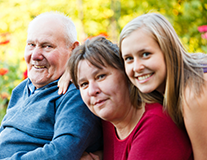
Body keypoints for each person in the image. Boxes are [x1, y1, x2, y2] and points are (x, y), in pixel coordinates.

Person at [0, 12, 102, 160]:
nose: (35, 55)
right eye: (31, 45)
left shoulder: (75, 94)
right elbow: (3, 135)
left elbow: (62, 153)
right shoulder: (22, 88)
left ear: (73, 49)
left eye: (47, 46)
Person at [65, 36, 193, 159]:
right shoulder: (110, 120)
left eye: (101, 76)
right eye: (84, 84)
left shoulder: (155, 124)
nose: (92, 91)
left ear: (126, 73)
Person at [119, 12, 207, 159]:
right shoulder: (164, 87)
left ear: (168, 50)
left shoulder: (194, 93)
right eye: (128, 58)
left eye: (145, 54)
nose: (137, 67)